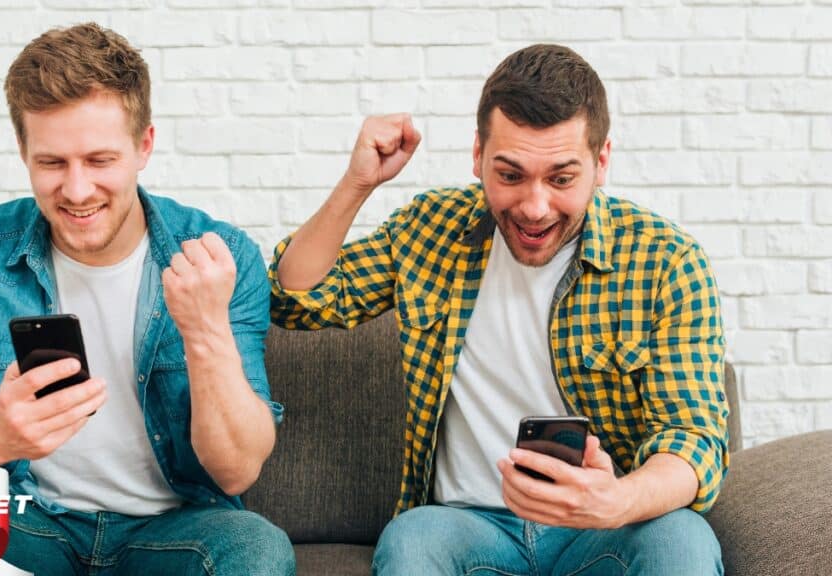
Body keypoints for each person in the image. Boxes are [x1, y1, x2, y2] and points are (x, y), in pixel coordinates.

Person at [0, 22, 294, 576]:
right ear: (23, 150)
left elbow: (235, 472)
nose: (78, 191)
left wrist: (205, 332)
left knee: (258, 548)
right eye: (53, 163)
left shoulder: (219, 257)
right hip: (28, 522)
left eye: (100, 161)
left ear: (144, 146)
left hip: (172, 529)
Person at [270, 44, 728, 575]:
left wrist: (615, 501)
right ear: (477, 156)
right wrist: (358, 185)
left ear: (601, 163)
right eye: (510, 175)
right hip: (467, 527)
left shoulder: (667, 262)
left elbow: (692, 441)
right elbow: (296, 299)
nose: (534, 208)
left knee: (681, 539)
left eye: (561, 178)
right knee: (412, 539)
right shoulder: (433, 229)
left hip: (602, 531)